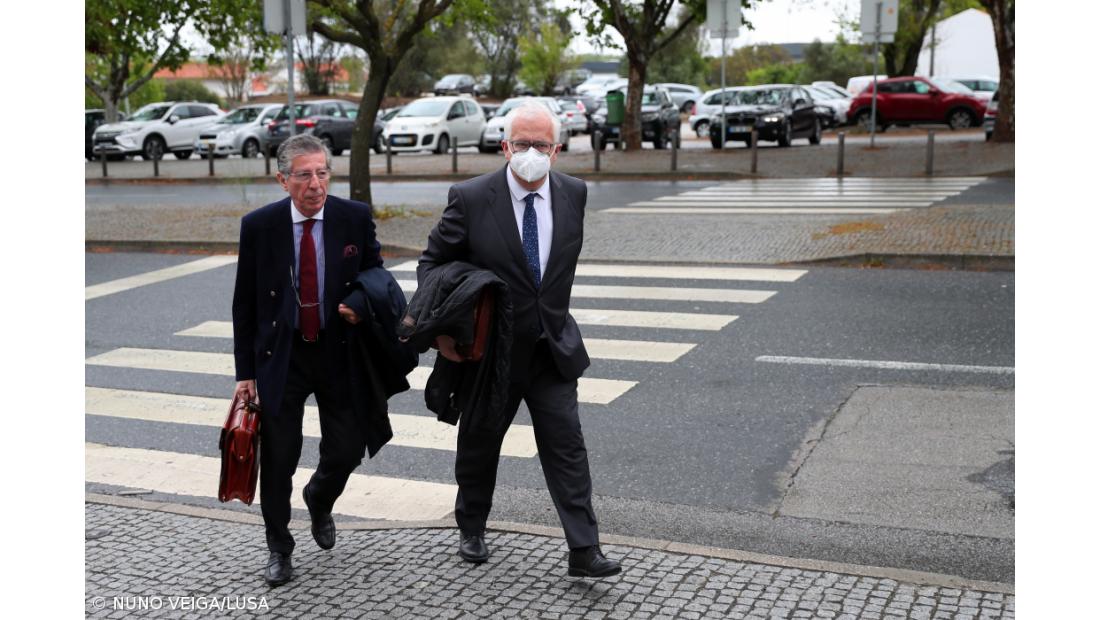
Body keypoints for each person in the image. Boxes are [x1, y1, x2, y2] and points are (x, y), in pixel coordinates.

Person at [417, 103, 622, 577]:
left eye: (541, 145)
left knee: (567, 446)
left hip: (551, 347)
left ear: (557, 149)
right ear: (505, 147)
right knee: (480, 440)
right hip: (492, 351)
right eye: (523, 143)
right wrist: (445, 331)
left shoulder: (574, 192)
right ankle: (471, 525)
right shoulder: (471, 197)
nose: (532, 152)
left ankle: (584, 549)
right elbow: (432, 264)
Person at [231, 134, 383, 587]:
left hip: (339, 351)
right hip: (284, 355)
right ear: (283, 180)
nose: (316, 184)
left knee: (348, 447)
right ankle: (279, 547)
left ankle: (319, 497)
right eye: (304, 175)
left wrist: (359, 301)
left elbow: (375, 273)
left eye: (322, 173)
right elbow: (244, 303)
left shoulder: (354, 217)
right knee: (279, 458)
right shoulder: (259, 226)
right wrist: (245, 373)